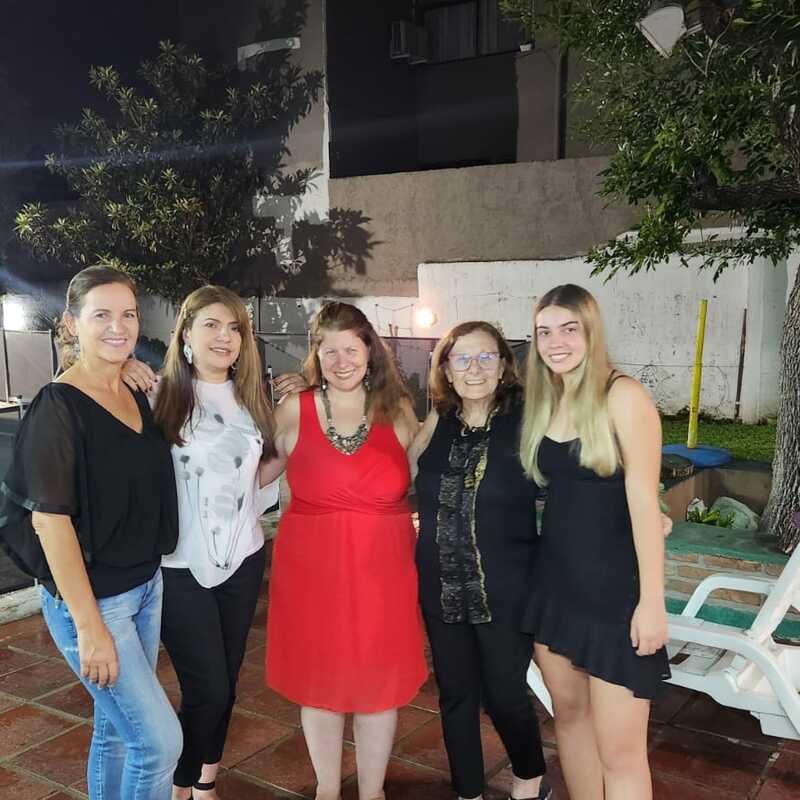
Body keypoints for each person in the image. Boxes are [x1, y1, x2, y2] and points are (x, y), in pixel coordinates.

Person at [0, 266, 182, 799]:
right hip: (96, 602)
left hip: (145, 584)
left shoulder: (133, 389)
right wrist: (90, 628)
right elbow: (49, 520)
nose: (118, 326)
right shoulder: (57, 406)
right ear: (71, 323)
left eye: (128, 314)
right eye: (101, 314)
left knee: (118, 731)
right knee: (159, 744)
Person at [261, 301, 427, 800]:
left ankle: (373, 793)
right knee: (320, 683)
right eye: (329, 351)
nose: (341, 361)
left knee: (379, 686)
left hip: (385, 572)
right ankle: (327, 791)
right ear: (315, 355)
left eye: (350, 349)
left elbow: (430, 473)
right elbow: (251, 475)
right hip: (312, 572)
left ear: (370, 351)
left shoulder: (397, 410)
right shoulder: (294, 408)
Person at [122, 286, 278, 800]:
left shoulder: (253, 399)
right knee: (207, 687)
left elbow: (255, 479)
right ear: (186, 334)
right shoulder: (157, 395)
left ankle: (205, 779)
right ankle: (179, 784)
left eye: (234, 328)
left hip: (244, 558)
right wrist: (119, 370)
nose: (224, 336)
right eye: (211, 324)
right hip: (179, 565)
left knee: (226, 684)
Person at [519, 284, 670, 800]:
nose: (555, 342)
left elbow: (645, 502)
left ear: (591, 331)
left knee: (621, 754)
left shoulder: (623, 395)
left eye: (569, 329)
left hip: (613, 595)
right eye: (544, 332)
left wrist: (652, 603)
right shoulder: (548, 398)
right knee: (570, 721)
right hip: (555, 586)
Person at [408, 321, 551, 800]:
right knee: (455, 696)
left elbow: (577, 474)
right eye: (461, 358)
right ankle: (468, 790)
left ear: (504, 366)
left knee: (505, 695)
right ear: (446, 369)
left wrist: (644, 508)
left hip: (506, 588)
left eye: (486, 357)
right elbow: (399, 469)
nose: (474, 368)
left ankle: (529, 777)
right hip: (440, 585)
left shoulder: (529, 422)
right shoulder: (438, 420)